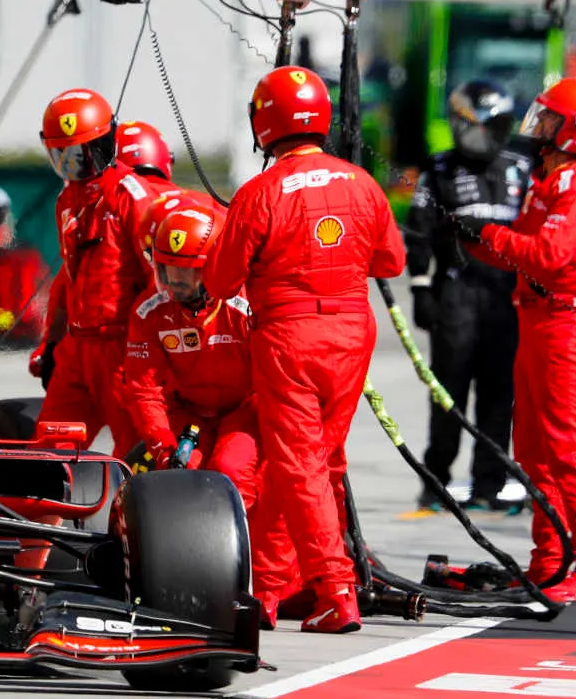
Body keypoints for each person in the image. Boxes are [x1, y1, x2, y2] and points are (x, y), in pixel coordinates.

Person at [204, 65, 407, 634]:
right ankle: (269, 588)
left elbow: (219, 282)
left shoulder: (259, 192)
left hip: (289, 338)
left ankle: (335, 590)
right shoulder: (362, 183)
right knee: (318, 465)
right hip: (351, 334)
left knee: (298, 466)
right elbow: (392, 262)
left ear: (264, 124)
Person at [458, 76, 576, 601]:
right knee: (532, 450)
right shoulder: (551, 178)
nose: (538, 126)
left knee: (567, 449)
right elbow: (518, 248)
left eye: (550, 119)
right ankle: (550, 558)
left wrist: (489, 234)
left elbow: (549, 256)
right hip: (537, 322)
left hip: (566, 327)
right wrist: (468, 240)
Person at [121, 205, 282, 615]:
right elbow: (143, 388)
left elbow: (273, 375)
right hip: (188, 412)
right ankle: (177, 580)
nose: (175, 282)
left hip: (245, 408)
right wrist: (161, 447)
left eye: (188, 272)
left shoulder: (247, 303)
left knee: (231, 471)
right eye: (167, 270)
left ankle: (239, 585)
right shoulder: (148, 310)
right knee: (180, 477)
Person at [403, 79, 524, 511]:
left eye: (498, 127)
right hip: (455, 294)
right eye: (480, 127)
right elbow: (417, 232)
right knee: (447, 393)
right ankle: (435, 482)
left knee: (498, 395)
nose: (488, 136)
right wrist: (420, 286)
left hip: (506, 299)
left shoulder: (520, 168)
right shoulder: (439, 170)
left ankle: (488, 485)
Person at [31, 92, 175, 451]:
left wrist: (148, 352)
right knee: (48, 452)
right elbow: (68, 281)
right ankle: (46, 509)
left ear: (107, 142)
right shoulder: (66, 202)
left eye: (84, 154)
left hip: (121, 350)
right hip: (77, 350)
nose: (77, 166)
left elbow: (159, 285)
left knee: (135, 454)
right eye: (65, 157)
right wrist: (52, 343)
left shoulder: (133, 197)